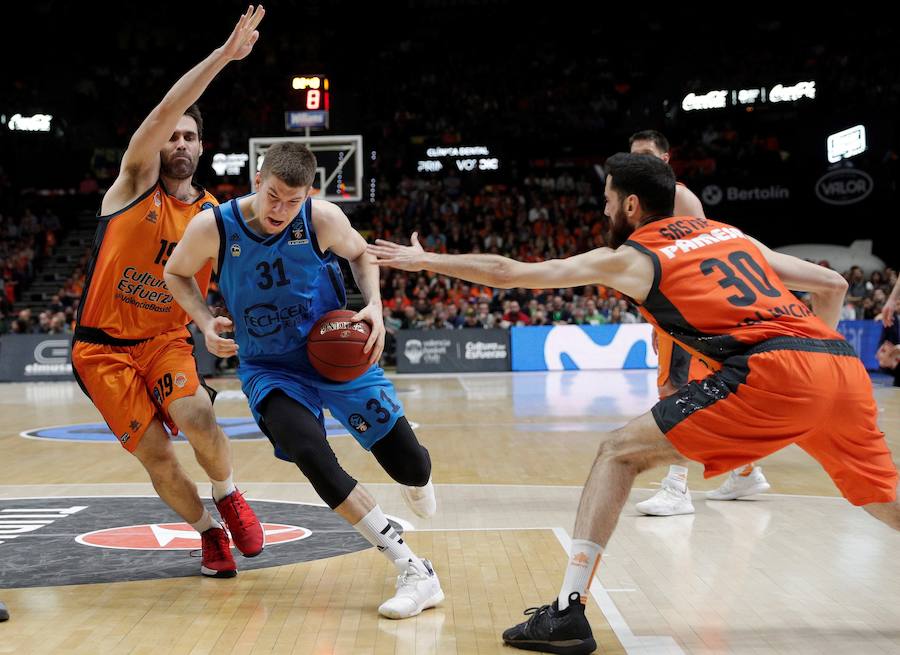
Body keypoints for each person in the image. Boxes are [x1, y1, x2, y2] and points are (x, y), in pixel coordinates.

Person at [369, 152, 899, 655]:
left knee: (616, 453)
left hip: (773, 372)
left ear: (630, 206)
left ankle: (567, 612)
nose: (602, 209)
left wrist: (425, 260)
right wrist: (811, 379)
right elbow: (832, 283)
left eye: (606, 199)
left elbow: (511, 273)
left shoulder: (633, 257)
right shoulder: (730, 235)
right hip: (838, 365)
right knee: (881, 496)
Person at [164, 142, 443, 619]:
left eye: (293, 201)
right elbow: (176, 272)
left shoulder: (322, 219)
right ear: (257, 179)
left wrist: (373, 304)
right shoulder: (215, 226)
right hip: (269, 367)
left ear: (308, 194)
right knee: (311, 453)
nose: (281, 209)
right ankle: (413, 568)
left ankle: (412, 456)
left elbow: (362, 257)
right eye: (273, 196)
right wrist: (205, 322)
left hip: (335, 352)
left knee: (411, 468)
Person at [71, 7, 267, 579]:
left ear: (202, 147)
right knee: (158, 456)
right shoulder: (131, 185)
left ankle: (229, 496)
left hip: (165, 339)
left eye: (189, 136)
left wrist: (213, 324)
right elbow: (160, 113)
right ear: (159, 145)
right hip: (101, 349)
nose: (178, 142)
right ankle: (208, 534)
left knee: (200, 418)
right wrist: (225, 58)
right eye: (172, 136)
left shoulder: (215, 217)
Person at [629, 130, 770, 515]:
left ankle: (676, 488)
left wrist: (687, 318)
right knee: (696, 395)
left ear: (664, 159)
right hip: (672, 312)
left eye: (646, 154)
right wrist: (654, 322)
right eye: (633, 155)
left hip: (690, 311)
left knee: (678, 393)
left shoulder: (678, 197)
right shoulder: (645, 203)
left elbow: (702, 256)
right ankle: (745, 471)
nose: (638, 161)